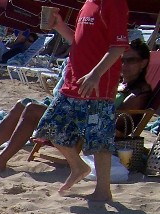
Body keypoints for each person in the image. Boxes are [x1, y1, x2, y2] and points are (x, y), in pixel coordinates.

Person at [0, 39, 151, 173]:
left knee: (32, 110)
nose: (124, 65)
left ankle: (0, 161)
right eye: (122, 60)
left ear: (143, 63)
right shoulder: (119, 84)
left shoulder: (137, 94)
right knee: (22, 104)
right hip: (79, 116)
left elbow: (116, 129)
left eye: (131, 60)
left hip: (87, 129)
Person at [34, 0, 130, 202]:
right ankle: (78, 166)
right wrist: (60, 26)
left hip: (99, 86)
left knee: (99, 140)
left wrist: (96, 74)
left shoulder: (114, 4)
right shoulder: (88, 3)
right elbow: (78, 42)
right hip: (73, 82)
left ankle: (103, 191)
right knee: (49, 128)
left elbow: (118, 47)